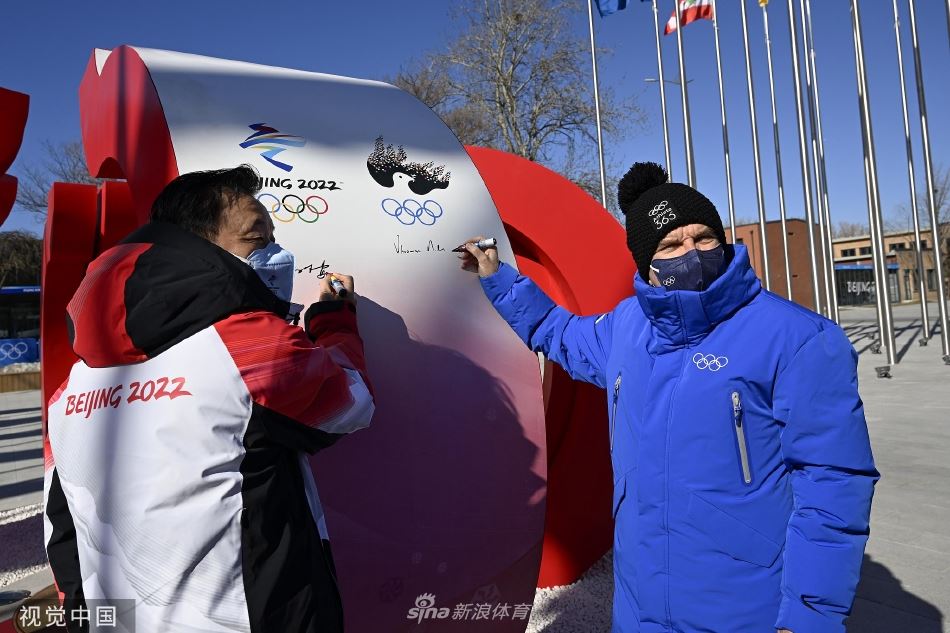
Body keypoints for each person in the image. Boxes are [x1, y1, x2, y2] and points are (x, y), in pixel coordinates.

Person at [459, 162, 878, 633]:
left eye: (703, 237)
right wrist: (497, 277)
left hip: (742, 607)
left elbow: (832, 483)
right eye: (671, 245)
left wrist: (808, 616)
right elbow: (556, 331)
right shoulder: (625, 328)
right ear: (647, 261)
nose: (691, 252)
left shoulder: (798, 339)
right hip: (639, 605)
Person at [43, 165, 374, 633]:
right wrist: (334, 321)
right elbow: (353, 399)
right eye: (257, 238)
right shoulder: (250, 346)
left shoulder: (70, 389)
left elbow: (62, 530)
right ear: (197, 245)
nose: (277, 254)